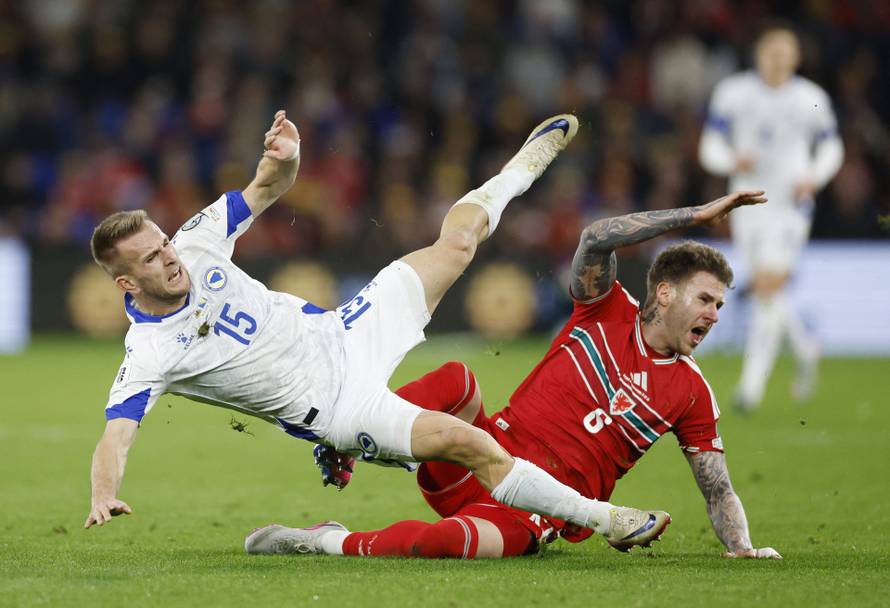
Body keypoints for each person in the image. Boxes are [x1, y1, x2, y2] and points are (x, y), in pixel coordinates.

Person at [83, 109, 672, 551]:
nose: (170, 256)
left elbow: (267, 185)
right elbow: (116, 436)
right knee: (468, 443)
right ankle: (603, 519)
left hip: (347, 330)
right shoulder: (150, 353)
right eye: (152, 258)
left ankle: (520, 168)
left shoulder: (194, 240)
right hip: (337, 407)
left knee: (457, 244)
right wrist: (104, 492)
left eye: (163, 242)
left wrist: (286, 154)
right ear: (126, 284)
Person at [244, 191, 782, 560]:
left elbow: (718, 490)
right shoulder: (604, 309)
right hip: (478, 458)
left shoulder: (690, 392)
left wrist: (742, 548)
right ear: (664, 292)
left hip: (536, 513)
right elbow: (597, 236)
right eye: (705, 299)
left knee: (440, 545)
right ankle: (351, 439)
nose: (715, 314)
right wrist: (695, 214)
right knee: (456, 377)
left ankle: (323, 542)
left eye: (719, 304)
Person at [698, 25, 844, 411]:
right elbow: (709, 145)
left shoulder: (811, 98)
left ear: (796, 56)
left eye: (785, 51)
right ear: (758, 54)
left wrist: (814, 175)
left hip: (791, 204)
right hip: (746, 202)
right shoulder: (734, 93)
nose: (778, 58)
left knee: (766, 287)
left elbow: (832, 146)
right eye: (771, 51)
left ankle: (751, 387)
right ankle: (805, 348)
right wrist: (731, 159)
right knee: (769, 290)